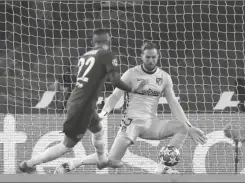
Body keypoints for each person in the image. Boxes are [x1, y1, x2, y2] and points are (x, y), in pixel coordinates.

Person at [54, 42, 207, 174]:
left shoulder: (164, 77)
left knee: (181, 128)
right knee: (111, 160)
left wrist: (190, 127)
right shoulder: (131, 74)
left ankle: (163, 167)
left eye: (154, 57)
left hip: (151, 124)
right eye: (148, 57)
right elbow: (114, 96)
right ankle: (75, 163)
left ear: (158, 57)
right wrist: (104, 112)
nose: (151, 60)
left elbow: (174, 103)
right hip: (131, 124)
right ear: (142, 57)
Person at [19, 29, 148, 173]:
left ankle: (102, 161)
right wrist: (134, 89)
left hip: (81, 102)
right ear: (109, 41)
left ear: (93, 42)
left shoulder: (84, 56)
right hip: (82, 106)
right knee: (66, 146)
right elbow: (115, 81)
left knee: (98, 130)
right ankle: (29, 164)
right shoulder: (107, 54)